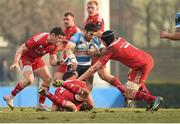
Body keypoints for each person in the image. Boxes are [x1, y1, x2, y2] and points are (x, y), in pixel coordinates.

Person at [78, 30, 163, 111]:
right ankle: (150, 101)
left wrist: (78, 80)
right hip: (146, 59)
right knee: (134, 79)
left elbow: (94, 68)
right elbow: (107, 43)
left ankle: (154, 99)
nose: (103, 44)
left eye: (103, 42)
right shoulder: (119, 39)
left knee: (128, 94)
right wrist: (99, 47)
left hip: (141, 66)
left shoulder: (111, 50)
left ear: (106, 42)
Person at [3, 27, 65, 111]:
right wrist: (15, 62)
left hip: (37, 59)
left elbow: (52, 61)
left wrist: (58, 62)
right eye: (59, 38)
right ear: (53, 35)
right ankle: (9, 97)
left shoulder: (55, 45)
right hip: (25, 58)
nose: (60, 41)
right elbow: (21, 48)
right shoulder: (39, 38)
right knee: (29, 80)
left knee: (48, 78)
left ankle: (40, 104)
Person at [53, 12, 81, 83]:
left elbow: (81, 45)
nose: (65, 21)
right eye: (64, 19)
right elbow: (61, 46)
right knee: (56, 81)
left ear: (73, 20)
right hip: (65, 60)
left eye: (67, 19)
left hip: (74, 61)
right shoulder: (64, 32)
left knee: (69, 82)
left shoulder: (77, 31)